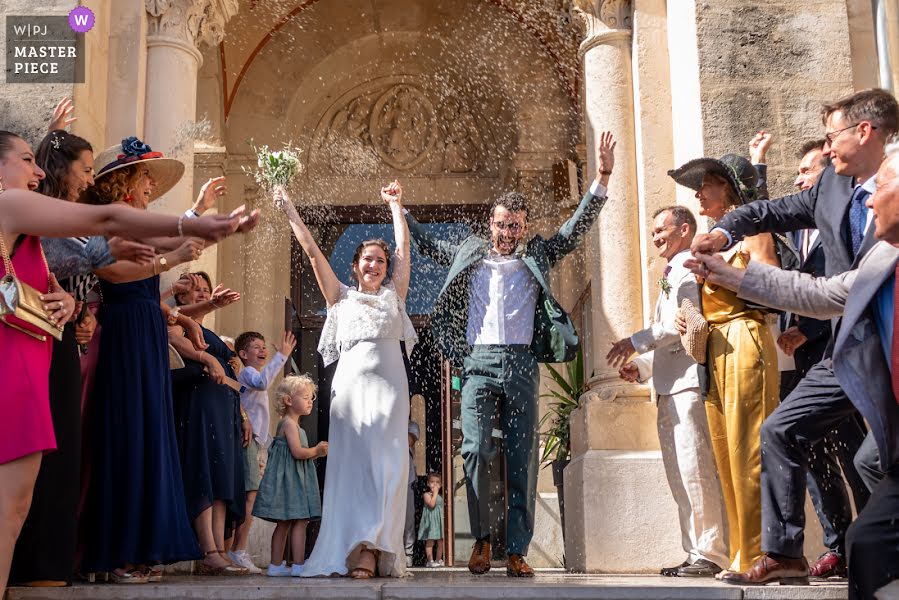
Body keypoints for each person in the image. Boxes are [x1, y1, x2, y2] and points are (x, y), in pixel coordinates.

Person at [0, 128, 258, 598]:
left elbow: (83, 255)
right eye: (24, 159)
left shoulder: (38, 230)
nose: (36, 170)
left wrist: (71, 303)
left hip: (41, 353)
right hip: (36, 358)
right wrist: (192, 227)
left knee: (16, 505)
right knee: (18, 501)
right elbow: (105, 233)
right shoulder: (13, 206)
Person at [689, 87, 899, 584]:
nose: (827, 149)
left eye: (833, 136)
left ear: (864, 132)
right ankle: (786, 554)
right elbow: (817, 279)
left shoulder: (891, 191)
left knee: (871, 460)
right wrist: (725, 240)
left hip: (884, 352)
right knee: (781, 430)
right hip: (846, 348)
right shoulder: (832, 191)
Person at [405, 132, 616, 577]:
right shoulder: (469, 252)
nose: (508, 232)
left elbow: (574, 230)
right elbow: (425, 243)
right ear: (491, 223)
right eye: (502, 224)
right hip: (477, 362)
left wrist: (601, 178)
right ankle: (482, 541)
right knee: (478, 450)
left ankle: (516, 549)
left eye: (516, 225)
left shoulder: (536, 253)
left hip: (521, 362)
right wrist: (399, 209)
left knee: (522, 454)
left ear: (524, 225)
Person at [78, 137, 242, 582]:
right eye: (145, 175)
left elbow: (174, 235)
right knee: (125, 434)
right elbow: (111, 271)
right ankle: (115, 554)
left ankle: (137, 549)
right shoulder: (107, 223)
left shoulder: (140, 222)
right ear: (126, 183)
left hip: (146, 332)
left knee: (148, 435)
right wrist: (170, 258)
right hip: (123, 334)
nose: (151, 183)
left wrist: (200, 208)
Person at [278, 180, 416, 579]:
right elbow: (309, 249)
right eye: (367, 260)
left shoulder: (395, 298)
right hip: (351, 397)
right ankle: (358, 548)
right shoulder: (339, 297)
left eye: (380, 261)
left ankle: (374, 547)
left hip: (391, 395)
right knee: (354, 470)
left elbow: (403, 250)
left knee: (387, 469)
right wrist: (288, 206)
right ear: (355, 265)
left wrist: (395, 205)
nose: (374, 265)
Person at [668, 152, 781, 576]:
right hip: (713, 343)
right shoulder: (715, 236)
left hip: (745, 335)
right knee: (724, 451)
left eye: (707, 184)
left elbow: (772, 277)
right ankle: (740, 548)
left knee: (747, 447)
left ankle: (756, 553)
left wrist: (722, 275)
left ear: (729, 189)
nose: (698, 192)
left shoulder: (752, 230)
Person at [608, 205, 728, 578]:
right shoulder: (671, 271)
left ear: (685, 229)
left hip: (689, 385)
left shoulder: (688, 268)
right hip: (668, 386)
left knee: (696, 468)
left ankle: (712, 552)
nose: (656, 236)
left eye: (662, 229)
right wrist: (642, 368)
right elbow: (669, 329)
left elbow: (685, 324)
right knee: (679, 472)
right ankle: (694, 550)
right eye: (654, 230)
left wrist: (635, 341)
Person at [781, 138, 869, 580]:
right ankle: (837, 544)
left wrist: (808, 330)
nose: (799, 178)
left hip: (834, 354)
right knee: (813, 453)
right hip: (800, 364)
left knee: (857, 454)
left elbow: (851, 283)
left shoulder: (848, 221)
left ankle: (869, 541)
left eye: (806, 170)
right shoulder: (797, 229)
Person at [169, 271, 249, 576]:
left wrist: (242, 414)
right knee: (203, 469)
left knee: (220, 476)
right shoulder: (176, 323)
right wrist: (209, 359)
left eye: (206, 289)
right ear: (181, 295)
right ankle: (207, 548)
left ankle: (219, 548)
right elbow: (175, 344)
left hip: (223, 406)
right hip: (198, 404)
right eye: (196, 289)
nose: (203, 293)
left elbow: (231, 378)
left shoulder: (209, 331)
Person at [229, 330, 296, 572]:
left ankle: (237, 548)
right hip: (250, 441)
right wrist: (282, 356)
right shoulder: (248, 373)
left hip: (256, 442)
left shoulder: (254, 372)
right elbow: (263, 382)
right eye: (256, 347)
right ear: (243, 354)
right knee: (250, 496)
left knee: (251, 496)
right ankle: (238, 550)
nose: (262, 350)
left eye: (263, 346)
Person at [253, 375, 326, 578]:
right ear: (288, 400)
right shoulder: (289, 425)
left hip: (291, 481)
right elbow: (298, 453)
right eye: (305, 397)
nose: (310, 401)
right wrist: (317, 450)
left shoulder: (291, 425)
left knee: (284, 523)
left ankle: (276, 565)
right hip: (291, 483)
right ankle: (299, 565)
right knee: (300, 521)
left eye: (311, 397)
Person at [418, 472, 444, 568]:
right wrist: (435, 493)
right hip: (431, 523)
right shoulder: (427, 495)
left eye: (437, 482)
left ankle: (438, 559)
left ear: (441, 484)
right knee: (430, 541)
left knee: (441, 542)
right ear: (428, 484)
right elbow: (432, 505)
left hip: (439, 522)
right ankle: (430, 560)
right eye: (432, 482)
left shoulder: (441, 496)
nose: (435, 484)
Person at [404, 420, 420, 567]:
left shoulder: (412, 425)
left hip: (406, 479)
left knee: (408, 517)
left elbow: (409, 440)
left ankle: (408, 553)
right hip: (387, 476)